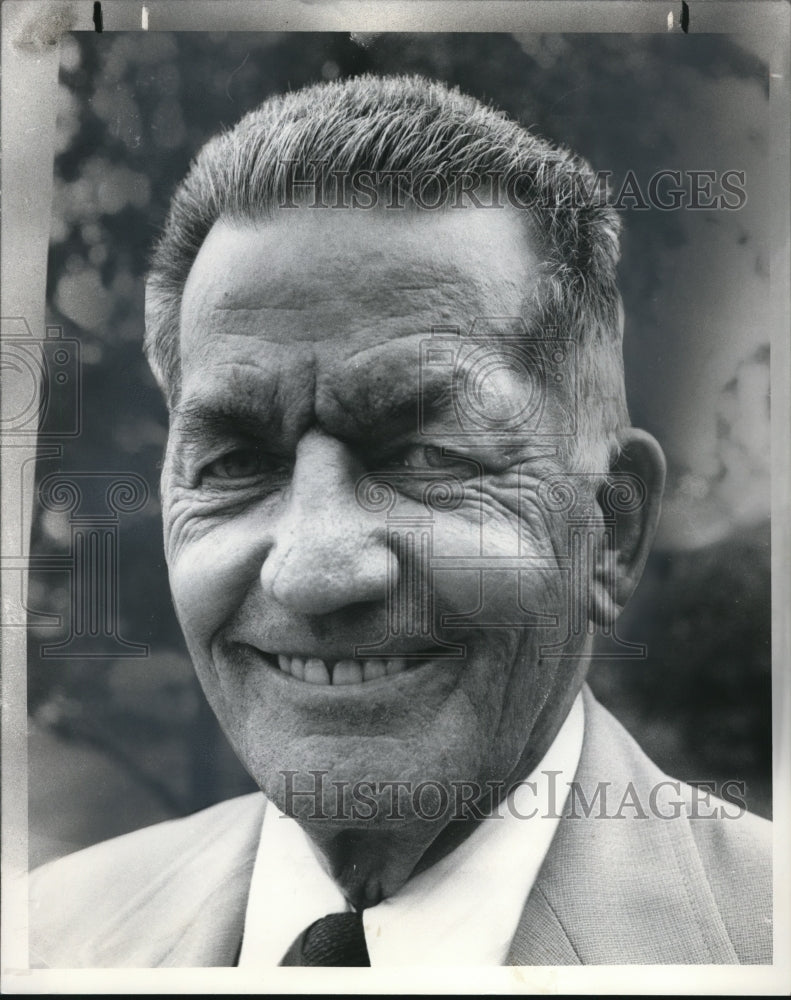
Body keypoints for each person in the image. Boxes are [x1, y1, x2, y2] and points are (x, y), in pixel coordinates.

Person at [30, 74, 771, 968]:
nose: (310, 569)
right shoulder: (46, 935)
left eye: (426, 457)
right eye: (234, 464)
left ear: (607, 531)